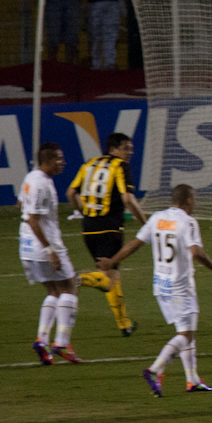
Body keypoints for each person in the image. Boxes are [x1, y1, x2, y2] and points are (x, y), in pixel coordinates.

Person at [99, 183, 212, 395]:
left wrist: (112, 261)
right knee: (186, 334)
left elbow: (134, 244)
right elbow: (197, 253)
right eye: (194, 198)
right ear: (188, 201)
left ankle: (192, 380)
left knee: (186, 329)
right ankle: (156, 368)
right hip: (179, 286)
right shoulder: (188, 222)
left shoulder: (156, 218)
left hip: (160, 285)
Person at [67, 131, 144, 338]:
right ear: (114, 149)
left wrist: (82, 211)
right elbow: (127, 198)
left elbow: (70, 193)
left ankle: (124, 324)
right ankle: (78, 279)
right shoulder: (120, 166)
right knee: (108, 280)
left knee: (111, 275)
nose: (130, 152)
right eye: (126, 148)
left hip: (89, 229)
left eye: (131, 148)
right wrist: (144, 222)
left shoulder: (89, 164)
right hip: (110, 229)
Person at [18, 143, 81, 365]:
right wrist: (50, 250)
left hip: (26, 246)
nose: (63, 163)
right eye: (59, 159)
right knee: (70, 287)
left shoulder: (31, 178)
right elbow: (33, 219)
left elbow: (20, 204)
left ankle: (42, 340)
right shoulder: (41, 185)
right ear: (47, 160)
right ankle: (62, 342)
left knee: (54, 291)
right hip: (42, 246)